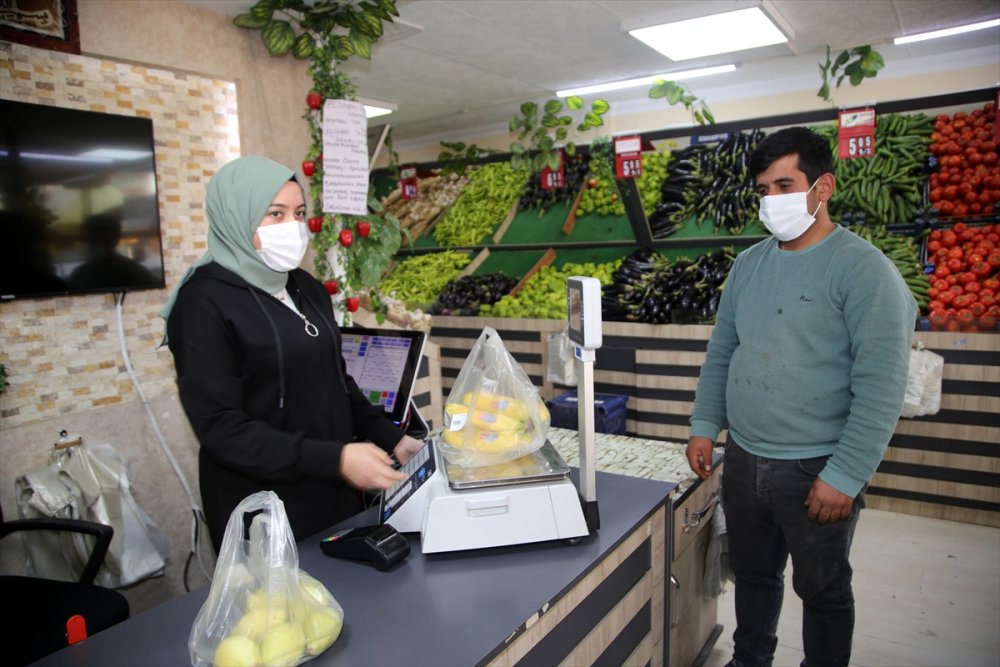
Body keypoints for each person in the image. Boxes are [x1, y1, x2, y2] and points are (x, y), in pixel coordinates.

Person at [685, 127, 916, 667]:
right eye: (763, 189)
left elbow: (882, 383)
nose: (772, 201)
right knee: (755, 577)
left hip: (817, 467)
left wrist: (846, 473)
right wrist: (704, 422)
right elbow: (723, 353)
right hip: (743, 460)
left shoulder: (864, 271)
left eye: (784, 185)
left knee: (824, 590)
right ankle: (750, 660)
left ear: (823, 187)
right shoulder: (748, 266)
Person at [161, 155, 423, 553]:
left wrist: (392, 437)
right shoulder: (203, 303)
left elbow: (337, 382)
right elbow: (222, 429)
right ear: (237, 217)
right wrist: (335, 458)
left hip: (331, 488)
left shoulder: (307, 288)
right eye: (275, 214)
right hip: (261, 504)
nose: (293, 227)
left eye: (299, 213)